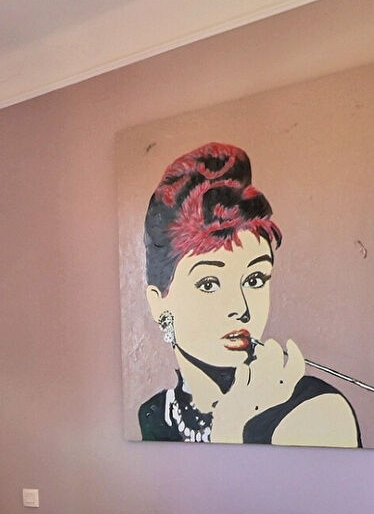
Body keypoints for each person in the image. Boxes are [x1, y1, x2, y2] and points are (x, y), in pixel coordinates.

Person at [137, 142, 359, 446]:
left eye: (254, 279)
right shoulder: (154, 415)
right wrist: (230, 424)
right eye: (209, 284)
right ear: (159, 303)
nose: (240, 308)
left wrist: (235, 428)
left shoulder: (316, 413)